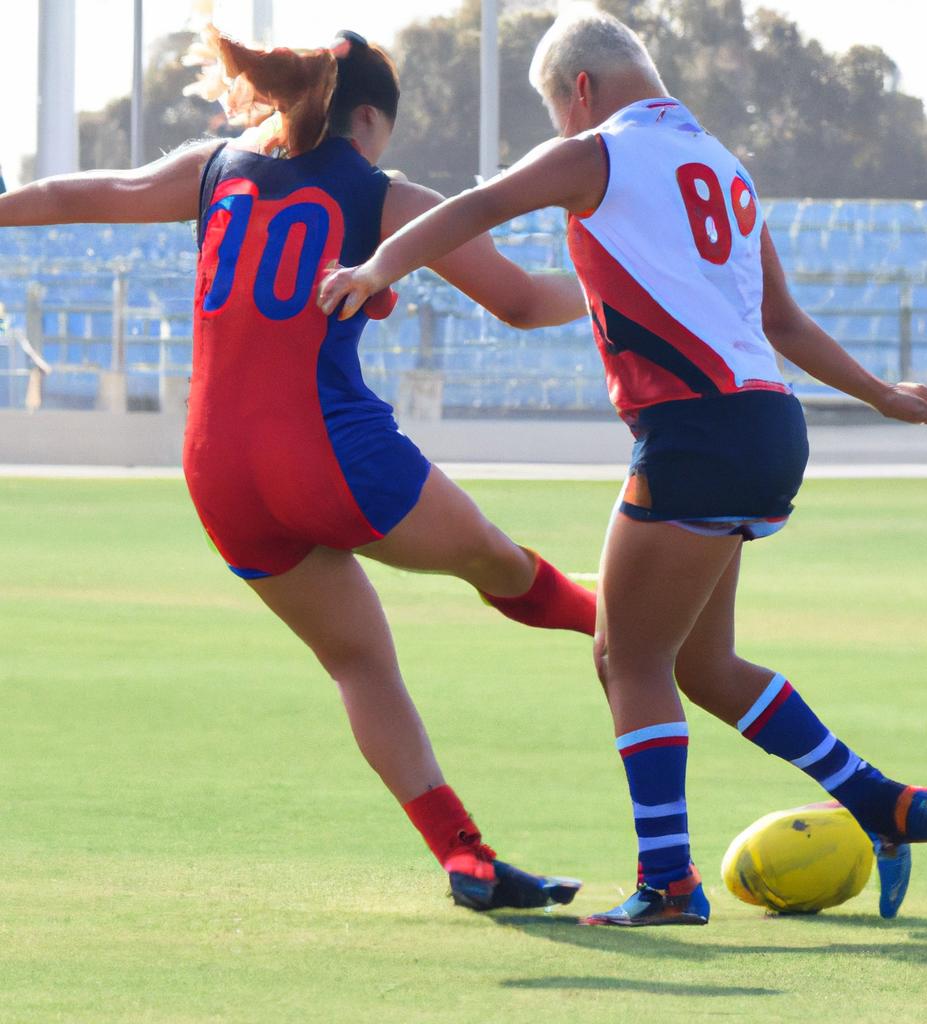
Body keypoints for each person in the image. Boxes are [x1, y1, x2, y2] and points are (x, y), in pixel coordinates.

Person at [318, 5, 927, 926]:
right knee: (705, 663)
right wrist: (878, 394)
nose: (559, 134)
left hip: (693, 431)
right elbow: (782, 323)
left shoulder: (600, 151)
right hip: (771, 427)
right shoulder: (726, 168)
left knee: (626, 655)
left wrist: (377, 268)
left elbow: (477, 207)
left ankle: (670, 883)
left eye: (555, 113)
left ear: (581, 90)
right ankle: (881, 801)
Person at [0, 27, 597, 913]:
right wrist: (632, 276)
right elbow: (521, 302)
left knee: (360, 664)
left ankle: (464, 857)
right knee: (503, 568)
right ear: (369, 118)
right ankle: (639, 632)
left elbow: (73, 195)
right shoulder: (385, 194)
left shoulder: (213, 168)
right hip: (327, 451)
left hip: (217, 473)